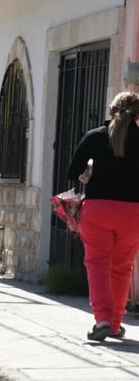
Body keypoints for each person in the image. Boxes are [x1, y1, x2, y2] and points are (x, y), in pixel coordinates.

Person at [68, 91, 139, 341]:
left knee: (97, 264)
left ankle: (103, 321)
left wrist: (91, 170)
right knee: (122, 268)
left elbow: (72, 171)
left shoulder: (94, 136)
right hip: (133, 213)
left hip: (97, 209)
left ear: (110, 111)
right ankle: (117, 323)